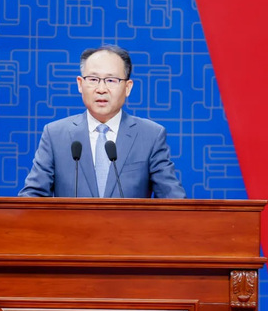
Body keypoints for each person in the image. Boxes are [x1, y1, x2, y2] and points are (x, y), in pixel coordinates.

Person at [19, 44, 186, 198]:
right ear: (80, 84)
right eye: (93, 79)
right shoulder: (55, 135)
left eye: (111, 80)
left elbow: (174, 201)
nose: (101, 89)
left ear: (128, 87)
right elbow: (32, 198)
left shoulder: (150, 135)